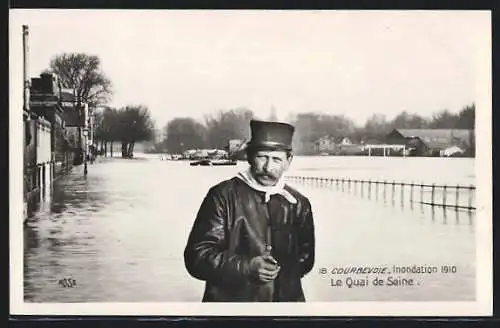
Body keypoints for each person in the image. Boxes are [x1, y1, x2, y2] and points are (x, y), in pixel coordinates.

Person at [184, 120, 315, 302]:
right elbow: (197, 257)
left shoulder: (299, 203)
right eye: (262, 157)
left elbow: (306, 261)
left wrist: (280, 271)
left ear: (288, 161)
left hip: (287, 311)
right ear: (249, 156)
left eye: (276, 159)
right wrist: (246, 267)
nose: (268, 168)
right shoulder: (222, 196)